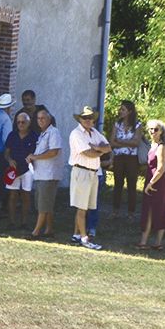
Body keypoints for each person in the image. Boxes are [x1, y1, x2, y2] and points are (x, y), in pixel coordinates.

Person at [67, 105, 111, 249]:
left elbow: (108, 147)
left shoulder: (95, 133)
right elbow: (87, 153)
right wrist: (99, 151)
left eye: (90, 118)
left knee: (85, 206)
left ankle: (76, 235)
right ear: (80, 119)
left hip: (93, 172)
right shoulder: (76, 134)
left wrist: (96, 148)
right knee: (81, 207)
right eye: (85, 118)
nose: (88, 120)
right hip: (82, 171)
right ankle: (84, 238)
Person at [26, 106, 64, 239]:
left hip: (49, 174)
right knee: (45, 203)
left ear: (49, 119)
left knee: (43, 204)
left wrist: (35, 157)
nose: (40, 121)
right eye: (38, 118)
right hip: (41, 174)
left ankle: (35, 232)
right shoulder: (43, 134)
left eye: (43, 118)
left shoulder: (53, 132)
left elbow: (54, 152)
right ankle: (49, 229)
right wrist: (31, 158)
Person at [138, 120, 165, 251]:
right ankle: (143, 241)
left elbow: (161, 168)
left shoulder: (161, 147)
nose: (152, 132)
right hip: (150, 180)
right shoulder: (152, 145)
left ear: (161, 131)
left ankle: (158, 242)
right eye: (151, 129)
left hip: (157, 182)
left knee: (159, 210)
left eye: (156, 129)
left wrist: (151, 183)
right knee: (148, 210)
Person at [107, 100, 143, 217]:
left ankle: (131, 211)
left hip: (132, 158)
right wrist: (128, 143)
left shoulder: (137, 125)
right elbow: (112, 142)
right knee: (118, 183)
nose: (120, 111)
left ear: (130, 111)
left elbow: (136, 142)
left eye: (123, 109)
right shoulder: (117, 124)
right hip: (119, 157)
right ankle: (115, 209)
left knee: (132, 184)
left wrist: (121, 141)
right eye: (120, 109)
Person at [3, 109, 37, 228]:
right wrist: (10, 160)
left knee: (26, 195)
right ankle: (11, 222)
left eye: (23, 122)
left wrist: (32, 158)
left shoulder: (34, 136)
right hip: (14, 169)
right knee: (12, 195)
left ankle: (24, 222)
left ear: (29, 123)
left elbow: (37, 152)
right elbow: (6, 152)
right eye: (19, 122)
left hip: (27, 169)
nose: (21, 124)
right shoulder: (12, 135)